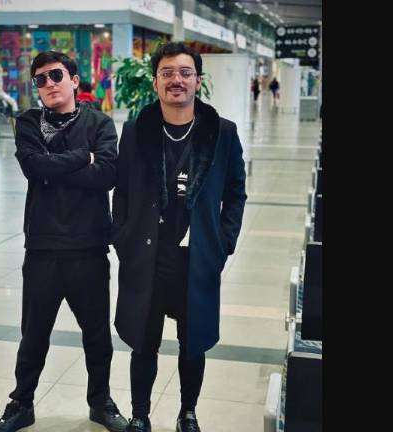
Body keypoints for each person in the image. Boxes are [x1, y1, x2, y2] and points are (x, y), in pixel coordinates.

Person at [0, 51, 128, 432]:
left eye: (56, 75)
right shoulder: (28, 122)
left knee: (97, 335)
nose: (48, 84)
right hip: (43, 248)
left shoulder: (99, 122)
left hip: (89, 248)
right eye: (41, 79)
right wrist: (83, 157)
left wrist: (54, 168)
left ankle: (100, 402)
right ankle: (21, 403)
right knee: (33, 334)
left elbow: (107, 175)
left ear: (74, 80)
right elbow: (33, 167)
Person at [111, 42, 248, 432]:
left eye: (185, 73)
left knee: (193, 343)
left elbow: (236, 192)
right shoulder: (136, 131)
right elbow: (122, 190)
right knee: (144, 341)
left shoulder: (222, 133)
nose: (177, 80)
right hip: (148, 256)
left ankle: (188, 412)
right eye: (167, 72)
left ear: (197, 81)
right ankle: (140, 414)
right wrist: (122, 237)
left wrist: (223, 243)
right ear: (155, 81)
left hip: (197, 257)